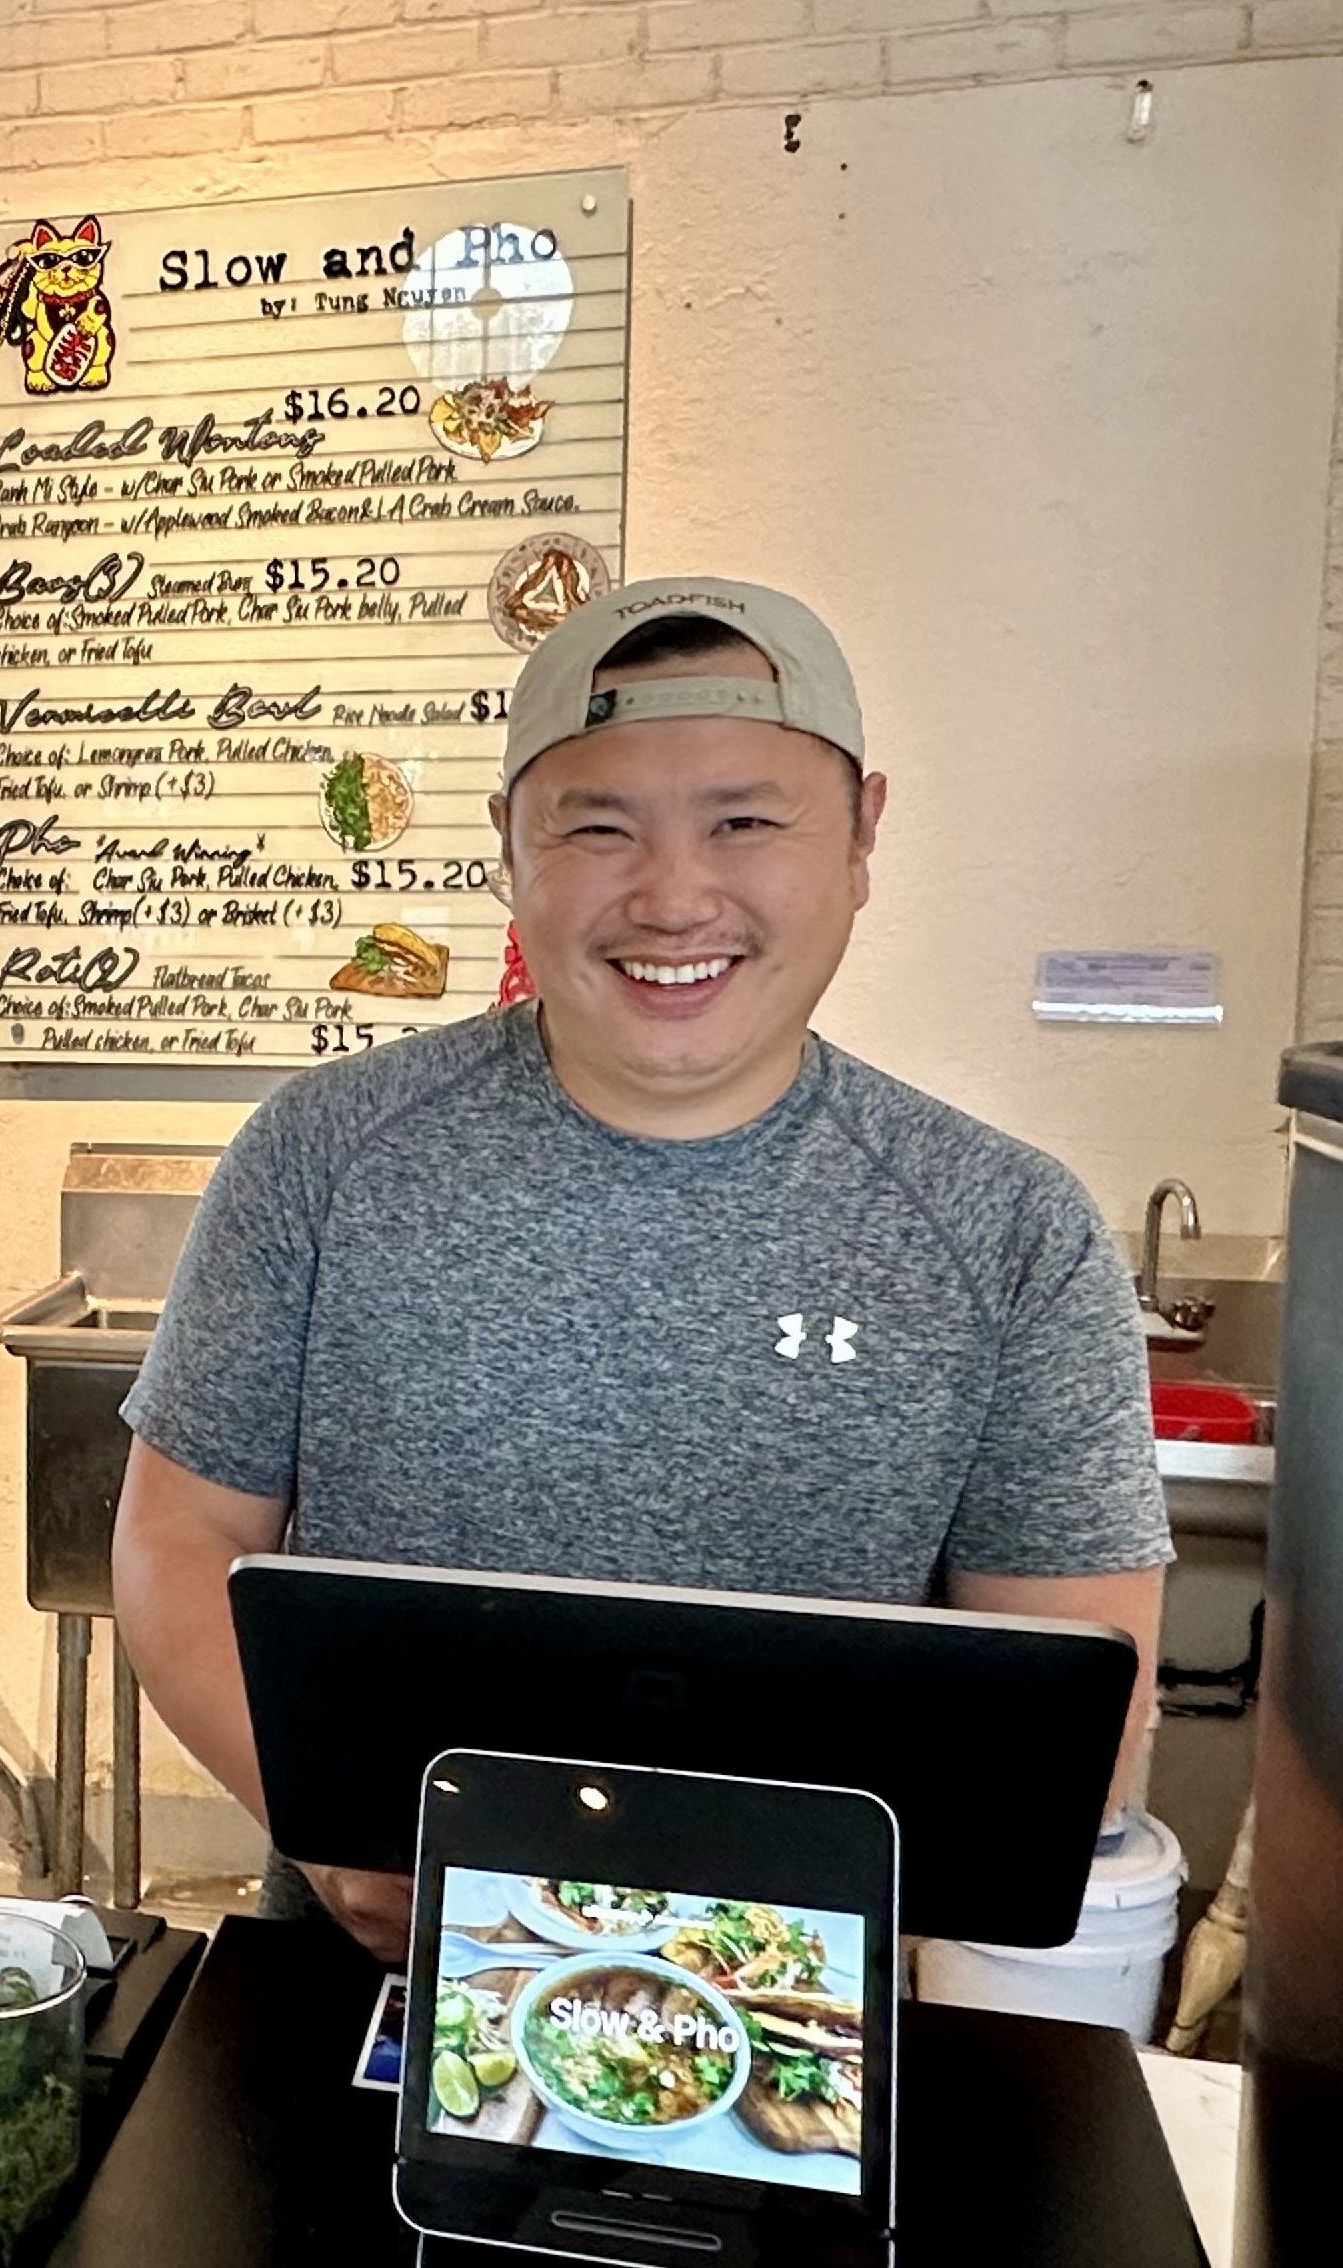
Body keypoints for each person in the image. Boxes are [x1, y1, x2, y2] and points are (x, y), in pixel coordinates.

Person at [112, 575, 1173, 1962]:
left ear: (862, 836)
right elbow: (176, 1538)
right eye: (599, 828)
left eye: (745, 821)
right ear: (510, 847)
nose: (675, 898)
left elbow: (1072, 1698)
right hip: (366, 1979)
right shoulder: (323, 1155)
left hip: (805, 2026)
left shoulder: (1007, 1232)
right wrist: (342, 1826)